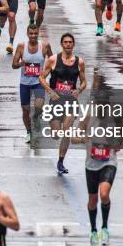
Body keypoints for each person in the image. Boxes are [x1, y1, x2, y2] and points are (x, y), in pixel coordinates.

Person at [39, 33, 87, 174]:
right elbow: (42, 77)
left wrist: (79, 89)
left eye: (70, 42)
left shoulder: (79, 62)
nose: (68, 44)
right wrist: (49, 91)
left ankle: (60, 161)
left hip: (71, 101)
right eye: (65, 42)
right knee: (56, 134)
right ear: (61, 44)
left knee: (66, 131)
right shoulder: (53, 60)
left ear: (73, 44)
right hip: (56, 100)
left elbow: (84, 81)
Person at [73, 114, 119, 246]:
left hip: (109, 162)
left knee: (104, 194)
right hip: (91, 165)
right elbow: (73, 139)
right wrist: (82, 139)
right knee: (93, 200)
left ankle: (104, 228)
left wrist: (118, 143)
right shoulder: (88, 117)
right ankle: (93, 231)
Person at [12, 24, 52, 143]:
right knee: (25, 110)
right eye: (31, 34)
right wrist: (21, 64)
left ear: (38, 33)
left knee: (38, 108)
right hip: (24, 83)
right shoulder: (21, 46)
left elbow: (53, 61)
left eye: (35, 34)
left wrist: (45, 74)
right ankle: (29, 132)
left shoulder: (44, 46)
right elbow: (13, 65)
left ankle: (36, 119)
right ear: (27, 34)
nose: (33, 36)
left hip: (39, 82)